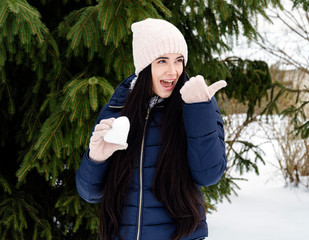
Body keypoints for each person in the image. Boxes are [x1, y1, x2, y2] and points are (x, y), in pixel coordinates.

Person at [76, 18, 227, 240]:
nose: (173, 71)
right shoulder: (117, 109)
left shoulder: (197, 103)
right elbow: (90, 193)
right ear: (145, 66)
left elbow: (209, 175)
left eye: (179, 61)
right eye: (162, 61)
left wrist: (199, 109)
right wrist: (96, 158)